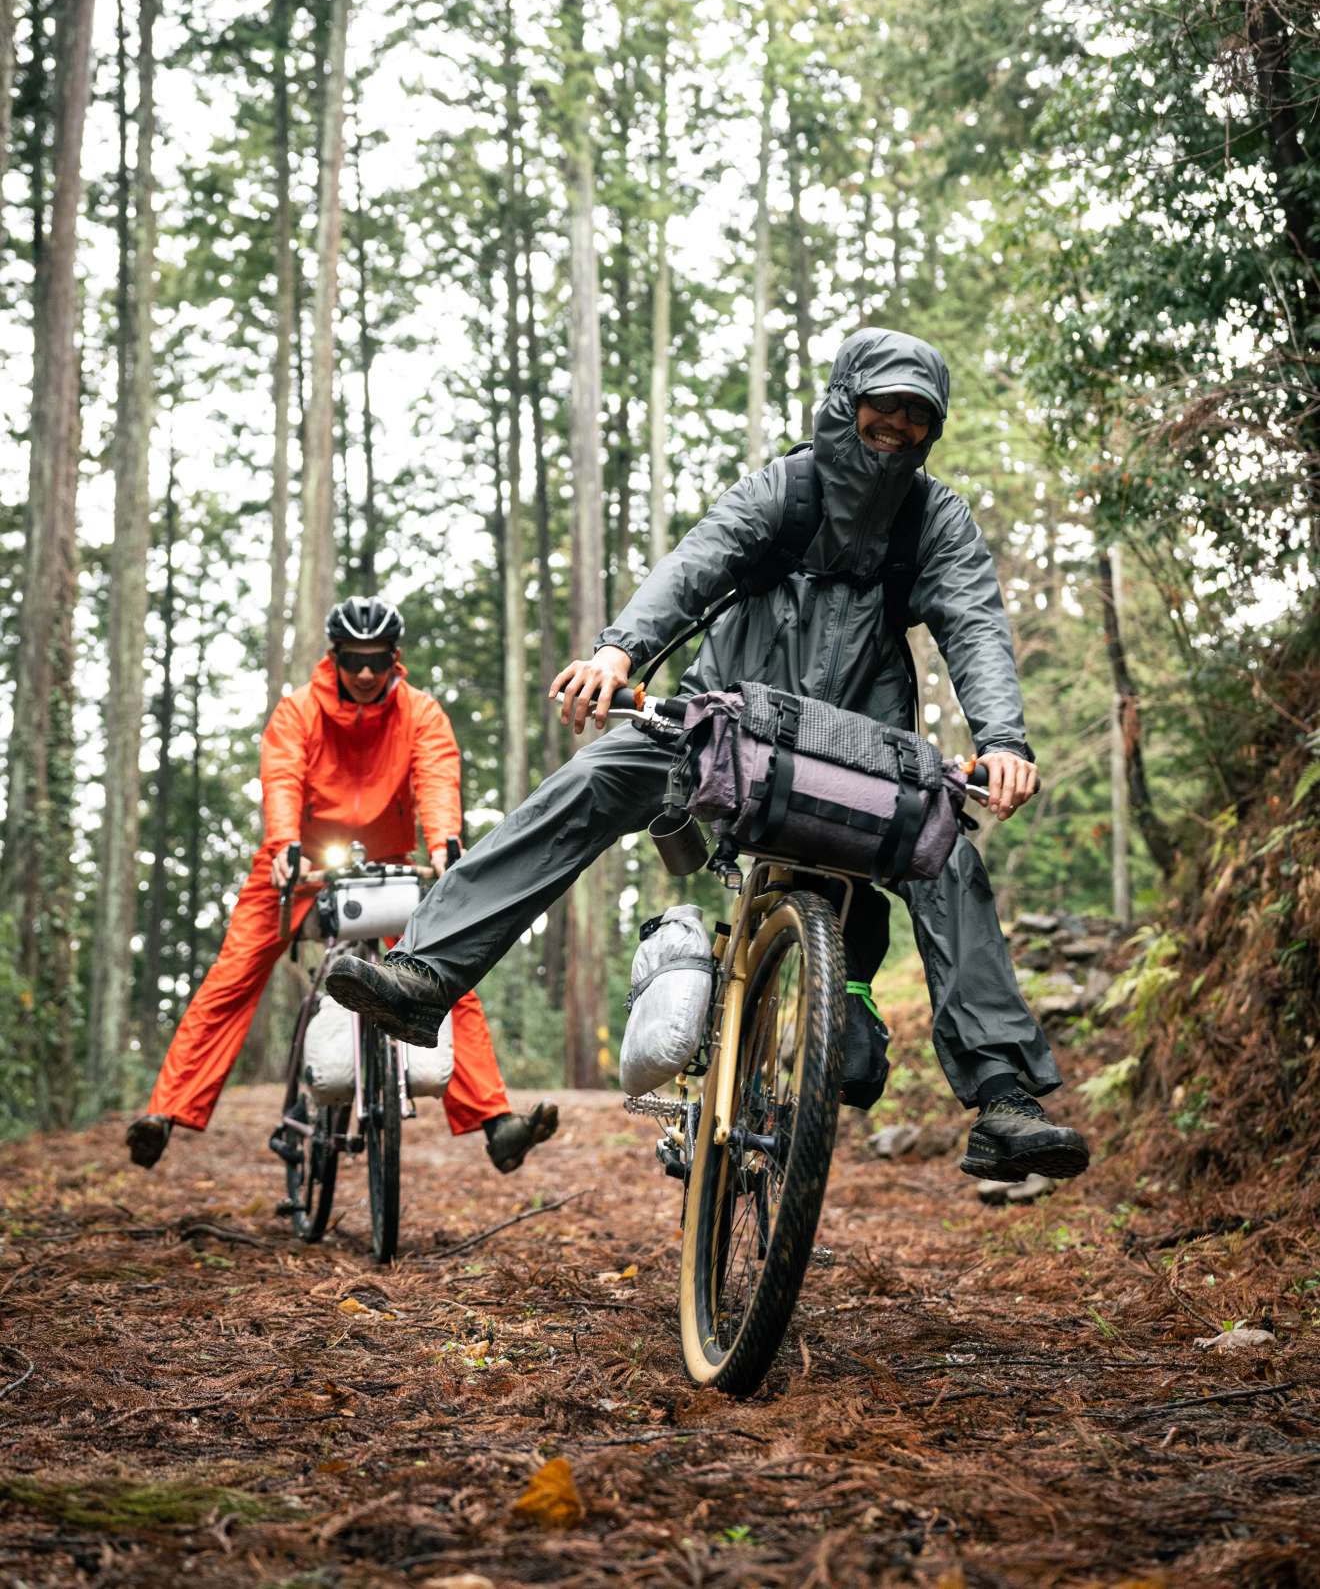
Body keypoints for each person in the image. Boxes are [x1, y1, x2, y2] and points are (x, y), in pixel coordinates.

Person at [326, 332, 1089, 1185]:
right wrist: (618, 652)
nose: (899, 425)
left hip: (859, 762)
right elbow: (698, 563)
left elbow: (975, 625)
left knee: (949, 858)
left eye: (918, 414)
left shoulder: (935, 520)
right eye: (885, 404)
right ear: (846, 402)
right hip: (723, 731)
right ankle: (429, 972)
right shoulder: (786, 490)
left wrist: (1003, 741)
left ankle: (1003, 1098)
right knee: (592, 781)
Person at [125, 596, 557, 1176]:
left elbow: (436, 775)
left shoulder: (420, 713)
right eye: (354, 660)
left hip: (390, 865)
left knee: (443, 972)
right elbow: (282, 775)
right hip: (299, 864)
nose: (365, 674)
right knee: (232, 977)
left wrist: (444, 844)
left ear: (394, 659)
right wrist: (284, 843)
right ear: (335, 658)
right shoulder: (299, 711)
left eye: (377, 661)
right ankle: (165, 1113)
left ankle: (495, 1123)